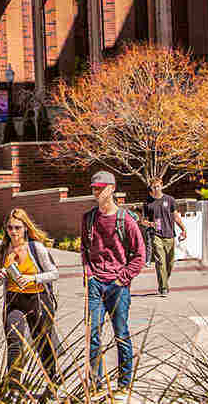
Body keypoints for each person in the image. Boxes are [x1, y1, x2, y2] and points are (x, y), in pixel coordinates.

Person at [82, 170, 145, 397]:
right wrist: (89, 274)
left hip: (118, 285)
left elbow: (140, 256)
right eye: (94, 188)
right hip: (96, 284)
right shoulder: (88, 218)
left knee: (121, 333)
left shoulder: (125, 220)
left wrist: (123, 277)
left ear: (112, 189)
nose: (96, 191)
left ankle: (125, 381)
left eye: (100, 188)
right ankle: (96, 383)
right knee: (94, 334)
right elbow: (85, 250)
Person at [0, 208, 61, 394]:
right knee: (14, 341)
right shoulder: (2, 250)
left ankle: (52, 382)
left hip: (37, 299)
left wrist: (32, 279)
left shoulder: (35, 248)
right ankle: (14, 387)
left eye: (17, 227)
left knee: (42, 343)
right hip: (14, 300)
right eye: (9, 228)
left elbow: (54, 273)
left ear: (25, 228)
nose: (13, 232)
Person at [142, 178, 187, 297]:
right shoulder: (148, 203)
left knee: (170, 263)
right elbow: (143, 221)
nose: (156, 189)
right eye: (153, 187)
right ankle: (163, 288)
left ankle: (164, 281)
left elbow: (175, 216)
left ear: (161, 186)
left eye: (157, 186)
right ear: (151, 188)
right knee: (160, 261)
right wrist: (150, 224)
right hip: (156, 235)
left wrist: (183, 229)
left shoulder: (170, 200)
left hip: (170, 235)